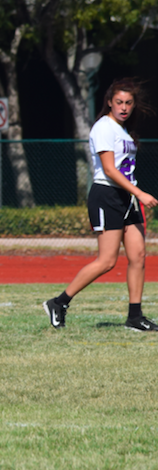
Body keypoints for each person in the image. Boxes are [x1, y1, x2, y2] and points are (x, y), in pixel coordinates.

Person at [44, 79, 158, 331]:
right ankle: (59, 302)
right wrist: (139, 192)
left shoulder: (123, 130)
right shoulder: (104, 127)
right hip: (107, 196)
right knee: (107, 261)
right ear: (109, 102)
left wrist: (133, 194)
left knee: (138, 255)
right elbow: (109, 169)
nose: (124, 107)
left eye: (129, 103)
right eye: (119, 102)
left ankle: (135, 317)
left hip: (126, 198)